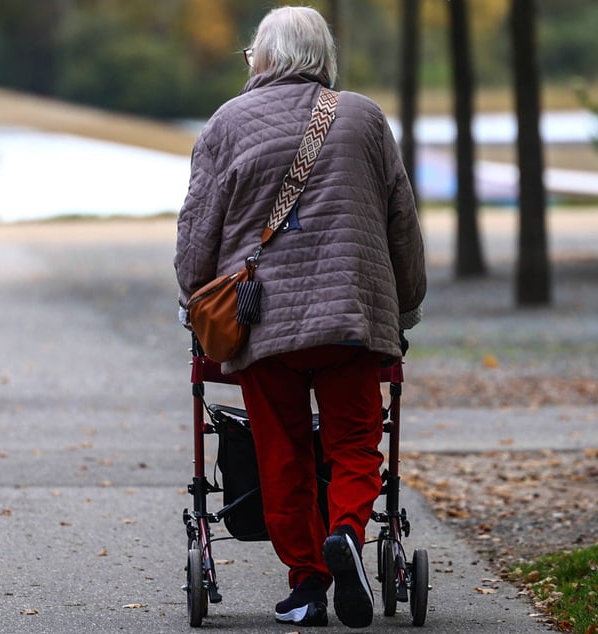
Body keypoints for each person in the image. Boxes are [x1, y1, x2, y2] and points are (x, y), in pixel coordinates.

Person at [174, 6, 426, 628]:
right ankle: (346, 531)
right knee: (354, 440)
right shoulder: (365, 119)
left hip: (263, 325)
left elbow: (195, 240)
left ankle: (309, 583)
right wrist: (408, 304)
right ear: (323, 58)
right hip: (353, 318)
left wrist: (192, 297)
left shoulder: (226, 124)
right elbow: (403, 225)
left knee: (280, 451)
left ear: (262, 57)